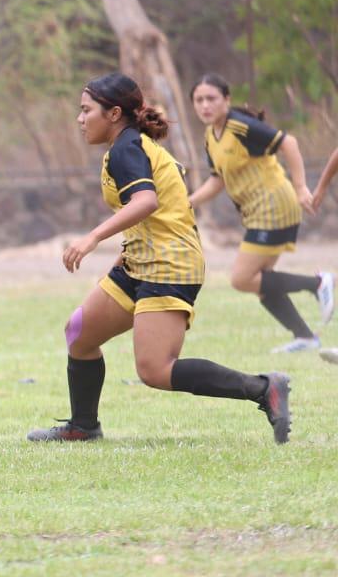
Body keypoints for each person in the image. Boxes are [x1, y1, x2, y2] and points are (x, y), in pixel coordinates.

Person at [27, 72, 292, 444]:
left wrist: (93, 238)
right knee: (80, 333)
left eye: (86, 110)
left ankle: (264, 388)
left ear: (114, 113)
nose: (80, 118)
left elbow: (146, 202)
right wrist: (123, 253)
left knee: (154, 370)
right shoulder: (128, 145)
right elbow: (157, 211)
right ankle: (83, 426)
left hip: (170, 265)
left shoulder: (127, 148)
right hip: (140, 261)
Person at [188, 73, 331, 353]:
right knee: (261, 280)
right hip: (257, 212)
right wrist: (186, 203)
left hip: (274, 205)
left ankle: (318, 283)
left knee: (242, 279)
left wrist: (301, 187)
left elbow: (289, 143)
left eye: (211, 98)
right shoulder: (210, 136)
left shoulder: (239, 126)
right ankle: (304, 337)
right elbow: (217, 180)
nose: (205, 105)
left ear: (226, 99)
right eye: (199, 100)